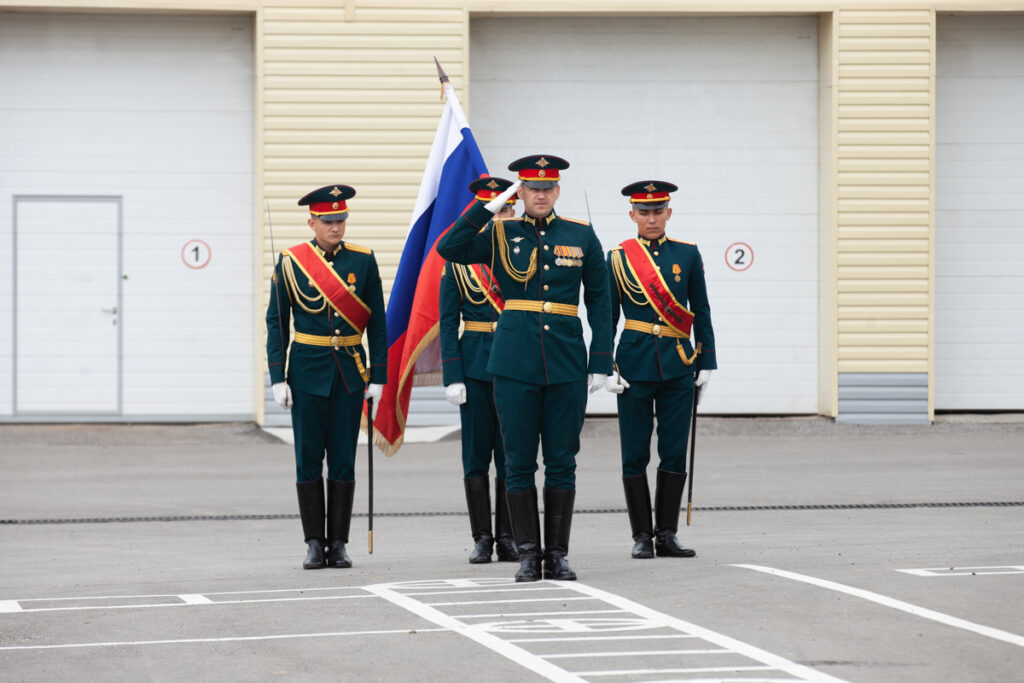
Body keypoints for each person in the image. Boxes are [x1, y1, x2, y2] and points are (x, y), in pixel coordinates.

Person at [437, 155, 613, 582]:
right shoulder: (500, 232)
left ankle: (558, 554)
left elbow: (601, 299)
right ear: (519, 191)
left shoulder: (581, 234)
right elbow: (450, 247)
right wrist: (490, 206)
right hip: (514, 362)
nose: (539, 194)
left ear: (557, 191)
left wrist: (601, 360)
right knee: (517, 462)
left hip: (567, 361)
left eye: (547, 187)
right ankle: (529, 555)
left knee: (561, 461)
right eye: (530, 188)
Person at [266, 184, 387, 570]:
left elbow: (379, 325)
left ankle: (339, 543)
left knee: (343, 459)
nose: (336, 227)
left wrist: (379, 377)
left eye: (341, 220)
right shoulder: (291, 261)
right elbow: (277, 323)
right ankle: (313, 542)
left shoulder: (364, 261)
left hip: (350, 373)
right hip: (306, 371)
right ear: (312, 221)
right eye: (328, 221)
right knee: (307, 459)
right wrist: (277, 377)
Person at [605, 180, 716, 559]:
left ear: (668, 213)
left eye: (657, 211)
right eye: (643, 212)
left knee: (673, 452)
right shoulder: (618, 257)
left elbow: (701, 311)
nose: (651, 219)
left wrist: (707, 363)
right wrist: (605, 364)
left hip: (677, 364)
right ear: (632, 215)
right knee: (634, 453)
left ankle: (666, 534)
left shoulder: (687, 254)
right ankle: (640, 535)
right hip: (633, 365)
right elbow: (608, 316)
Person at [439, 177, 520, 565]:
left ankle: (507, 537)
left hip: (513, 365)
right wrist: (452, 375)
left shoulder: (522, 258)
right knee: (475, 456)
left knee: (510, 455)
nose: (500, 216)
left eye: (506, 209)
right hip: (473, 367)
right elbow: (446, 321)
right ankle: (482, 538)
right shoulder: (459, 266)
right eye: (494, 210)